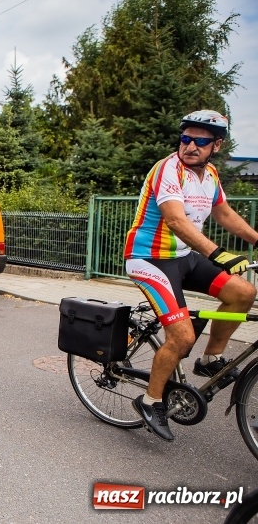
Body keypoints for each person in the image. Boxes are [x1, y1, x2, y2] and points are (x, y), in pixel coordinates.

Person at [124, 109, 258, 442]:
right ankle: (151, 400)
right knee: (181, 336)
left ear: (217, 145)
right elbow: (176, 220)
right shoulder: (168, 169)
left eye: (201, 141)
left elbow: (224, 213)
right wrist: (219, 254)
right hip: (149, 259)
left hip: (184, 258)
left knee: (242, 293)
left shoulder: (210, 174)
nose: (191, 146)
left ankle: (210, 359)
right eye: (186, 138)